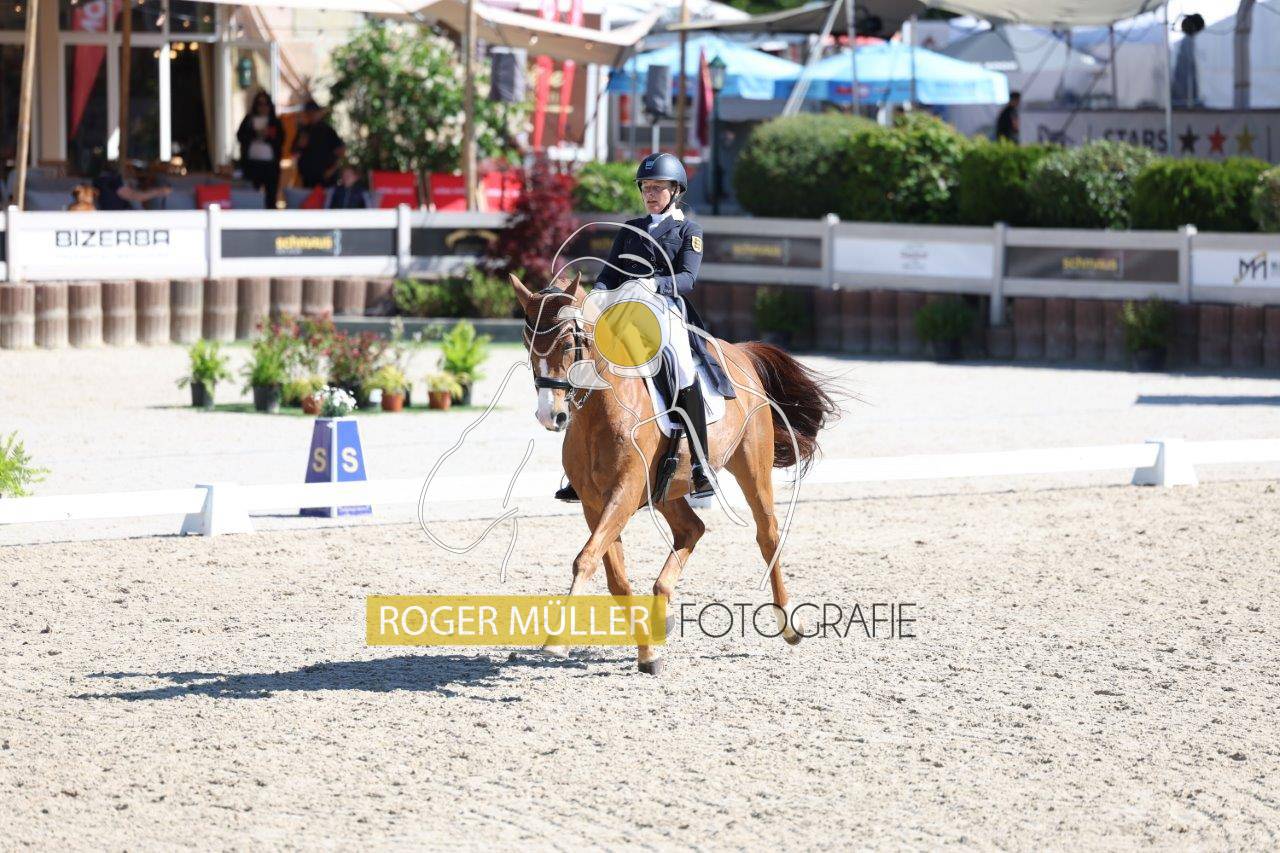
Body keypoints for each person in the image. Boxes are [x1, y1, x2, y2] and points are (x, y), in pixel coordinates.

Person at [554, 152, 735, 504]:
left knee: (682, 368)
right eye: (646, 187)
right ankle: (578, 467)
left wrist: (655, 284)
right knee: (586, 364)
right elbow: (609, 273)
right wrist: (598, 294)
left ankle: (700, 464)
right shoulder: (630, 229)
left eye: (658, 187)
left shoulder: (688, 231)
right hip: (623, 311)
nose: (650, 194)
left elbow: (688, 278)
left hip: (665, 312)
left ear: (675, 191)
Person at [236, 90, 284, 209]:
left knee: (270, 198)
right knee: (252, 195)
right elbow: (240, 136)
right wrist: (256, 134)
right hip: (252, 165)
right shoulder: (249, 120)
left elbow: (281, 140)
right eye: (260, 104)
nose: (263, 107)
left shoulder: (275, 121)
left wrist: (268, 136)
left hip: (270, 166)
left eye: (266, 104)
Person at [292, 99, 346, 188]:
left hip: (325, 177)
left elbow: (341, 151)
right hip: (308, 177)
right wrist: (300, 146)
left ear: (319, 113)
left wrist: (332, 170)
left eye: (314, 112)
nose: (312, 115)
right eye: (308, 113)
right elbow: (294, 152)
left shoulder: (328, 131)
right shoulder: (304, 131)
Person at [92, 162, 171, 211]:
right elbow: (135, 196)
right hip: (121, 218)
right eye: (129, 168)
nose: (132, 172)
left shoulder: (98, 180)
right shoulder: (112, 180)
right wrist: (159, 191)